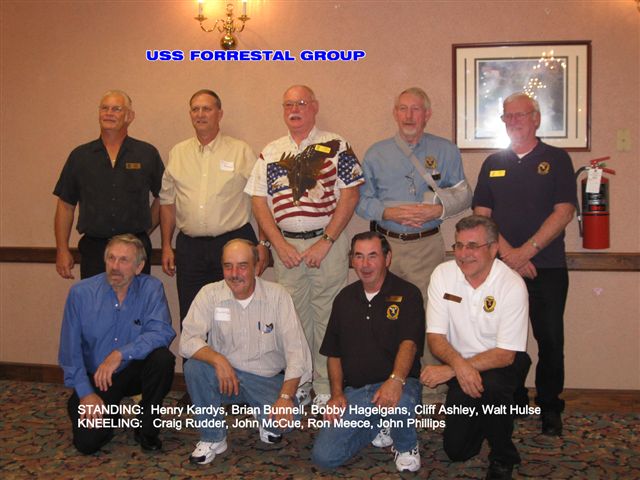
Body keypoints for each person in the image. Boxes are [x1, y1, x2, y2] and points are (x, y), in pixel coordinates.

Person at [244, 85, 364, 407]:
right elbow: (258, 202)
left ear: (314, 107)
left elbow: (351, 194)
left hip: (327, 243)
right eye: (288, 105)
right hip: (286, 247)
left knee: (328, 315)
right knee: (292, 318)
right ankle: (299, 380)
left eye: (300, 103)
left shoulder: (337, 145)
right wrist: (278, 244)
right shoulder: (270, 152)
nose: (294, 109)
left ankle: (325, 385)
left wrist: (326, 241)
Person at [356, 87, 472, 403]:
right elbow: (361, 201)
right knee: (385, 315)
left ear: (427, 114)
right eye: (403, 109)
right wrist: (388, 212)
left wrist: (439, 210)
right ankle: (387, 385)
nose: (409, 116)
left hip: (427, 245)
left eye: (416, 109)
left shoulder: (445, 150)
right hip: (387, 249)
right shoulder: (376, 153)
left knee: (432, 315)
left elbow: (464, 195)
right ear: (395, 113)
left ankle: (433, 391)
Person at [473, 92, 576, 436]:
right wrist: (509, 257)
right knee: (503, 339)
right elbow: (482, 216)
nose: (513, 121)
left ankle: (549, 406)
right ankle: (511, 398)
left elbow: (564, 212)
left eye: (520, 115)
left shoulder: (557, 159)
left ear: (536, 118)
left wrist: (525, 253)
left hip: (547, 267)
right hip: (501, 269)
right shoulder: (493, 162)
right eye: (508, 116)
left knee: (550, 340)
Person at [179, 239, 312, 465]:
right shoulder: (209, 294)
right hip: (226, 379)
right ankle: (213, 437)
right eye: (228, 266)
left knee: (286, 422)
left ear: (256, 266)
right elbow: (186, 341)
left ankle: (264, 416)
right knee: (194, 367)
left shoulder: (278, 296)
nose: (234, 274)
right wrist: (218, 359)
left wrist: (285, 397)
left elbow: (297, 353)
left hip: (265, 380)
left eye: (242, 266)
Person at [421, 215, 531, 480]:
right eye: (459, 245)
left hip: (501, 363)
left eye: (473, 246)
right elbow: (435, 337)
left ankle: (503, 456)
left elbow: (506, 354)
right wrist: (459, 367)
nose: (464, 254)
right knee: (457, 451)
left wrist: (452, 371)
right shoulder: (443, 275)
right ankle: (494, 410)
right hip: (460, 362)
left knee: (492, 386)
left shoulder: (512, 284)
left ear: (493, 249)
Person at [311, 232, 424, 473]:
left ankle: (406, 446)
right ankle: (378, 422)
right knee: (324, 457)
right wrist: (337, 394)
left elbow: (410, 344)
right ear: (351, 260)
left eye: (373, 256)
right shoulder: (344, 299)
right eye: (359, 256)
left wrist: (395, 380)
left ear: (387, 258)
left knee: (399, 405)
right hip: (356, 392)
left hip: (399, 385)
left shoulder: (408, 293)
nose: (365, 264)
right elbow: (333, 353)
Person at [58, 234, 176, 454]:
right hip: (98, 378)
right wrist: (85, 393)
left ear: (139, 267)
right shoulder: (81, 293)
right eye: (111, 258)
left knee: (163, 359)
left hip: (134, 370)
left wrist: (121, 353)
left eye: (124, 260)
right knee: (88, 443)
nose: (115, 266)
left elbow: (162, 331)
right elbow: (69, 351)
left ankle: (146, 426)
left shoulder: (151, 288)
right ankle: (108, 414)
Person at [159, 89, 266, 325]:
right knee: (193, 316)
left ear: (220, 113)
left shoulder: (240, 151)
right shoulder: (178, 153)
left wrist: (263, 243)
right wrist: (166, 245)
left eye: (207, 109)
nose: (200, 114)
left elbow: (260, 198)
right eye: (195, 109)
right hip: (190, 249)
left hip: (233, 244)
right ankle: (196, 353)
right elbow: (167, 202)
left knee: (236, 316)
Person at [54, 90, 164, 280]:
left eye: (116, 109)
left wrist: (144, 230)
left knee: (135, 299)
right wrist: (62, 249)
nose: (109, 113)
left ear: (129, 116)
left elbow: (164, 196)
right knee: (94, 299)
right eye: (104, 108)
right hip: (94, 249)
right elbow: (65, 205)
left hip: (134, 248)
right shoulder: (80, 156)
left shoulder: (146, 153)